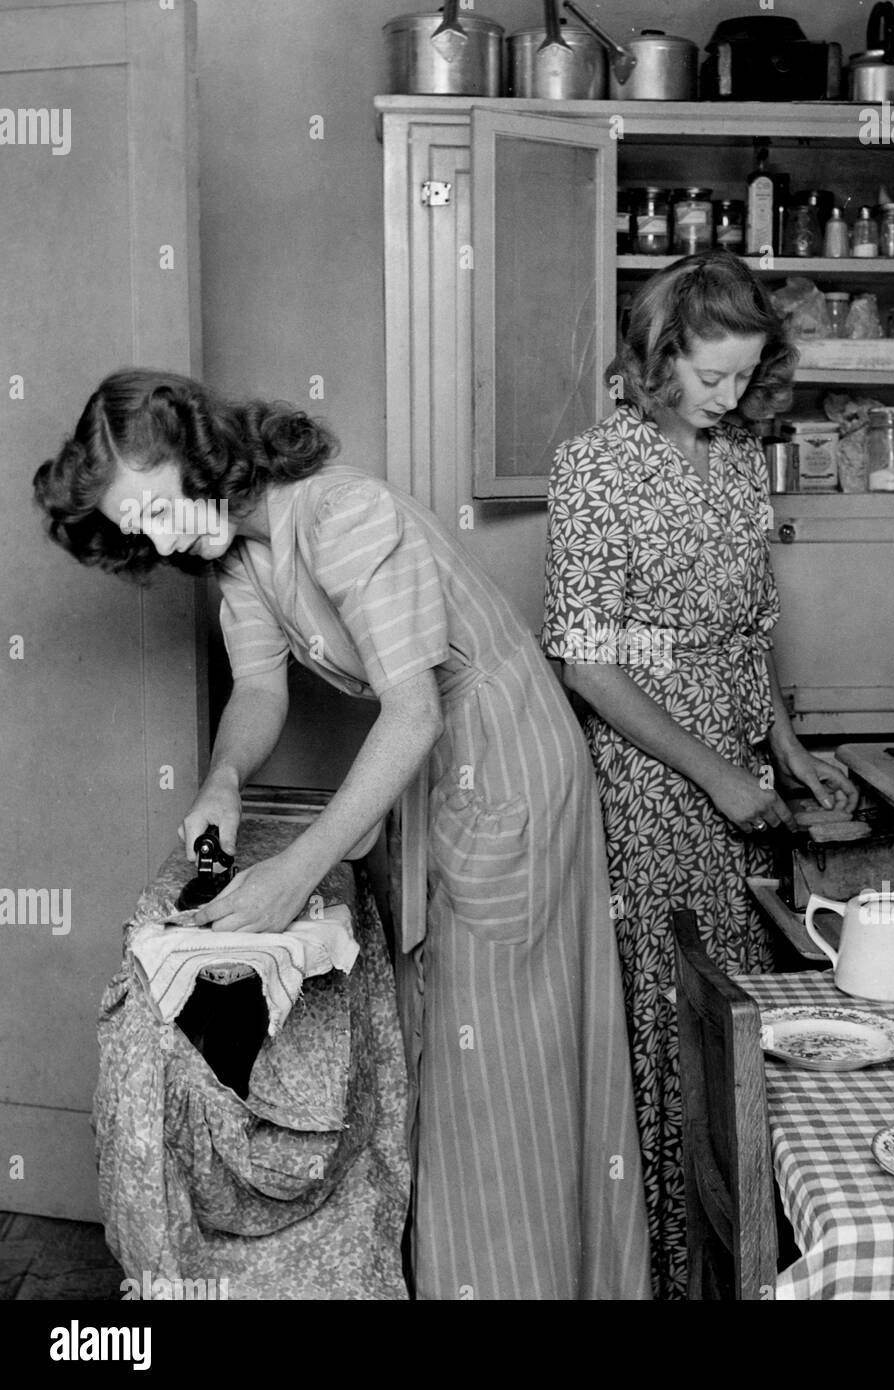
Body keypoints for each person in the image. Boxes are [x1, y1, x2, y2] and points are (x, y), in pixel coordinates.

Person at [34, 369, 651, 1301]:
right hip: (440, 772)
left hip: (509, 766)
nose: (156, 542)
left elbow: (411, 713)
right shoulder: (240, 555)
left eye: (155, 510)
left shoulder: (344, 515)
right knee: (445, 1045)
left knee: (503, 1061)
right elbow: (258, 690)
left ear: (200, 457)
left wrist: (296, 870)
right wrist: (222, 784)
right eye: (137, 533)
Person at [541, 250, 858, 1298]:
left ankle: (742, 1265)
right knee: (670, 1023)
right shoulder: (594, 466)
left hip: (737, 764)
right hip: (648, 782)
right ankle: (668, 1275)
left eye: (744, 376)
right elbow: (586, 661)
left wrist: (789, 752)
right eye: (710, 376)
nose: (728, 397)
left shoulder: (736, 459)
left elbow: (748, 635)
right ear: (659, 355)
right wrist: (717, 773)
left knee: (740, 1016)